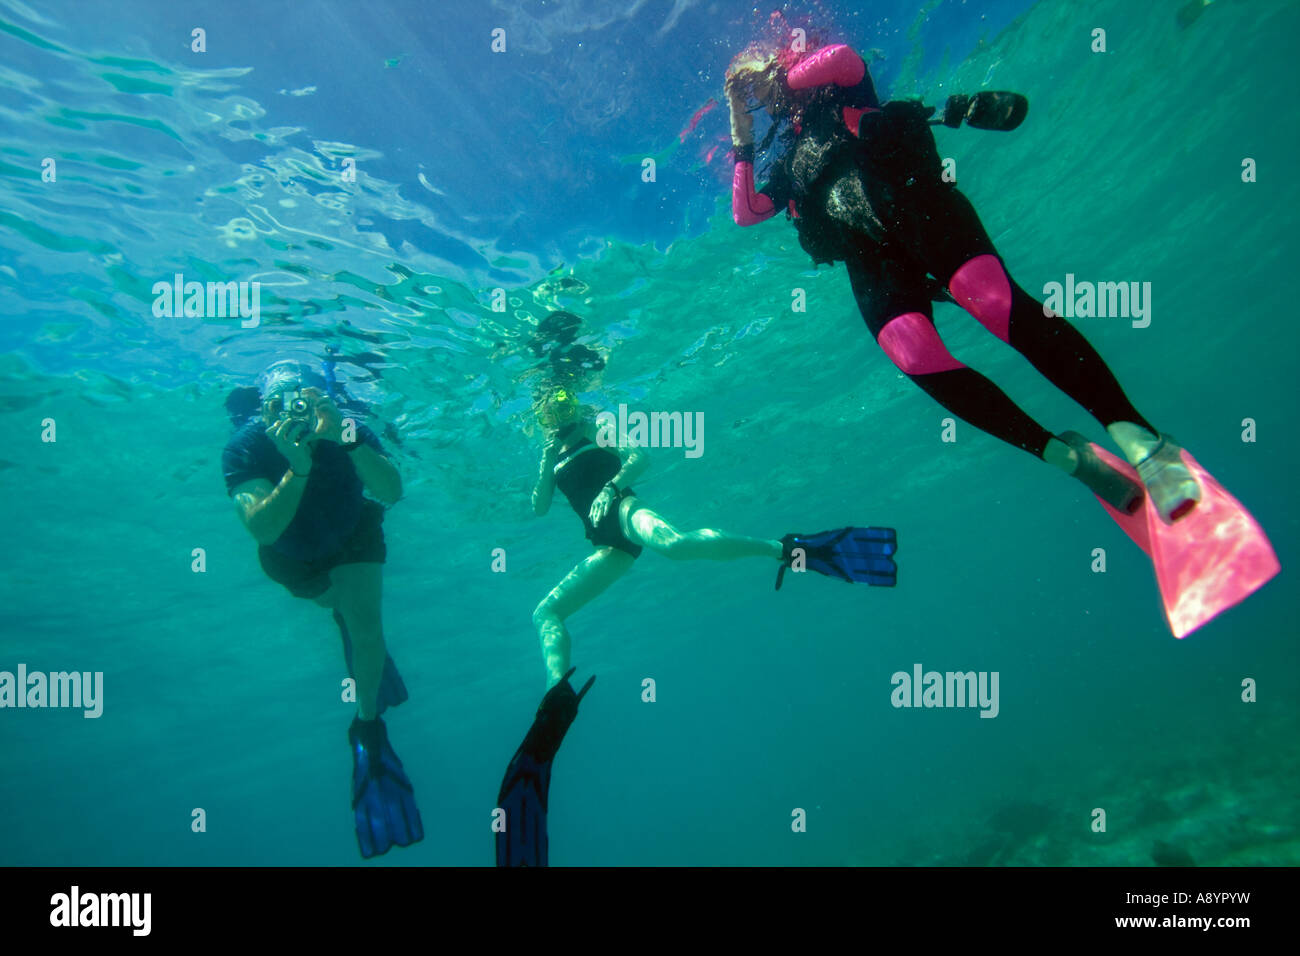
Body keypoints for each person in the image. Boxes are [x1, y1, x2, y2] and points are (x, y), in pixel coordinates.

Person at [723, 40, 1277, 635]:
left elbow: (842, 59)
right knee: (913, 355)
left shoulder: (836, 90)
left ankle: (1147, 444)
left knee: (992, 303)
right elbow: (747, 211)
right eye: (749, 88)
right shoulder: (780, 156)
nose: (763, 90)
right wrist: (740, 126)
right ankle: (1068, 457)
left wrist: (783, 71)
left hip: (910, 196)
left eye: (762, 76)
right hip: (872, 256)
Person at [529, 387, 898, 688]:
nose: (560, 417)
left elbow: (640, 458)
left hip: (625, 510)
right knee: (546, 611)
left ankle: (782, 548)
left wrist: (611, 489)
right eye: (550, 412)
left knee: (675, 544)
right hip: (608, 544)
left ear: (575, 403)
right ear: (542, 418)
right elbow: (539, 507)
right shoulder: (551, 457)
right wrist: (546, 464)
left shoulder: (597, 428)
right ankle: (555, 695)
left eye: (564, 405)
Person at [221, 359, 422, 858]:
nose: (295, 413)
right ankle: (339, 611)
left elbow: (392, 492)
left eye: (305, 401)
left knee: (367, 625)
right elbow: (264, 530)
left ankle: (368, 724)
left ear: (321, 398)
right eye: (280, 406)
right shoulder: (246, 445)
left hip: (354, 531)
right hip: (294, 555)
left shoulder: (347, 427)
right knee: (339, 604)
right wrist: (299, 464)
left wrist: (347, 440)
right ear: (263, 409)